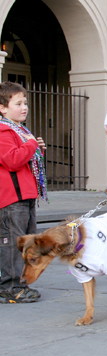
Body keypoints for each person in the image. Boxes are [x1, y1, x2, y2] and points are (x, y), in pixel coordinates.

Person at [0, 81, 47, 303]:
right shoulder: (3, 131)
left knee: (27, 242)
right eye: (18, 103)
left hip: (25, 194)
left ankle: (21, 282)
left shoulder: (20, 131)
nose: (24, 107)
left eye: (25, 102)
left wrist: (35, 149)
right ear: (2, 108)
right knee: (13, 241)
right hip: (12, 198)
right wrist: (30, 146)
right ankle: (10, 286)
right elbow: (12, 160)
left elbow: (25, 157)